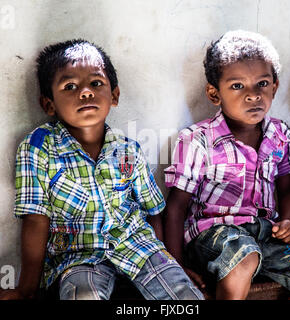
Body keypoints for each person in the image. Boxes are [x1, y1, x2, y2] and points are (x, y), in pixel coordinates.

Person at [0, 39, 204, 300]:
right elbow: (36, 219)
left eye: (96, 83)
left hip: (139, 247)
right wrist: (27, 290)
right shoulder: (38, 147)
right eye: (70, 86)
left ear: (114, 95)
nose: (85, 92)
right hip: (78, 257)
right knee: (82, 295)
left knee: (185, 297)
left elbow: (153, 212)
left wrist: (173, 264)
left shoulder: (128, 150)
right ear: (48, 104)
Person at [163, 30, 290, 300]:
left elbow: (288, 189)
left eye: (262, 83)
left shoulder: (280, 134)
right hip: (213, 236)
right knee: (244, 256)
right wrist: (176, 266)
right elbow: (176, 207)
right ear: (214, 94)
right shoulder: (198, 140)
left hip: (266, 235)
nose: (253, 95)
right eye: (237, 86)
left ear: (275, 86)